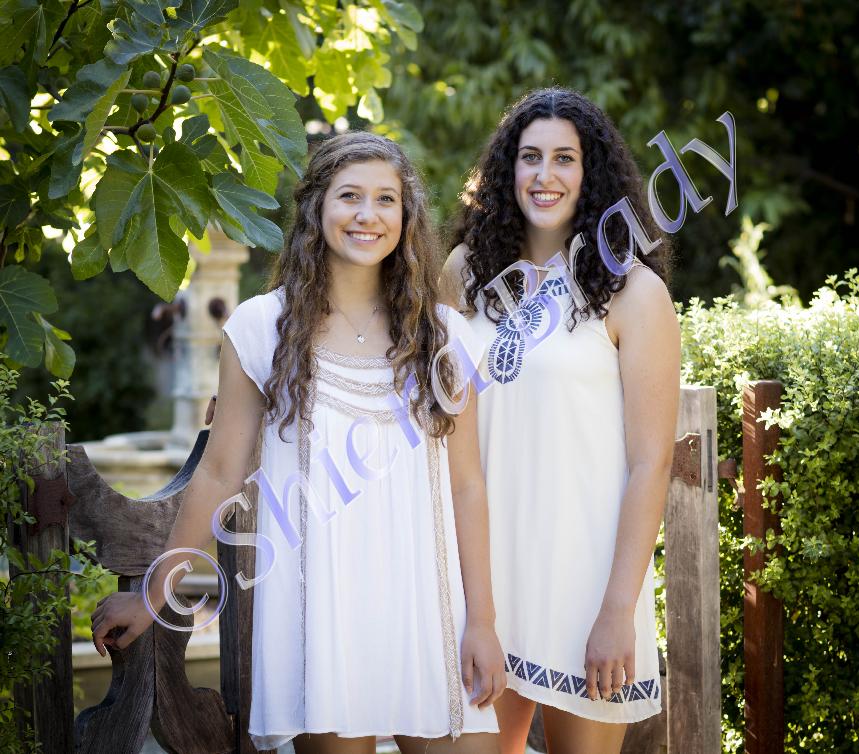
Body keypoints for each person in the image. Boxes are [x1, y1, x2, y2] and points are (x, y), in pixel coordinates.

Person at [91, 132, 506, 754]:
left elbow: (468, 486)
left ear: (406, 216)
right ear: (316, 208)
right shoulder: (262, 327)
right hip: (322, 615)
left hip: (431, 606)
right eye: (350, 196)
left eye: (386, 199)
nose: (368, 215)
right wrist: (154, 595)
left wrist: (484, 622)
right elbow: (219, 472)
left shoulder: (443, 335)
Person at [440, 88, 680, 754]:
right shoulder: (464, 275)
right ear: (507, 169)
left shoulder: (634, 292)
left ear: (591, 172)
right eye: (530, 157)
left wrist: (617, 610)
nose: (545, 175)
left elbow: (650, 463)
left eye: (564, 159)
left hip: (586, 585)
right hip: (483, 586)